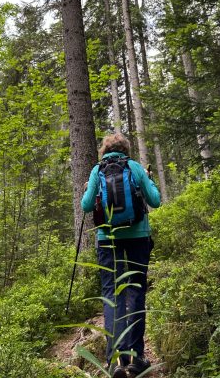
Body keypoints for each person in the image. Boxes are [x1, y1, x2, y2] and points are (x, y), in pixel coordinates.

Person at [81, 133, 161, 378]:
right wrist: (148, 180)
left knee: (111, 294)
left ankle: (116, 358)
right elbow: (155, 201)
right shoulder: (135, 167)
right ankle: (137, 359)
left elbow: (85, 206)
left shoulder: (97, 170)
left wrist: (89, 188)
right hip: (138, 236)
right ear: (126, 150)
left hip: (108, 239)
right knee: (136, 292)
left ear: (104, 151)